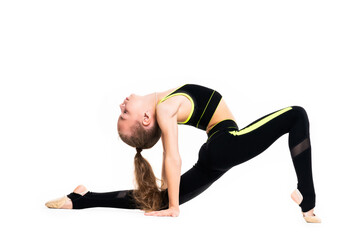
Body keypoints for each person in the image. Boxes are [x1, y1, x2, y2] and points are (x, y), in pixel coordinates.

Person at [45, 84, 321, 223]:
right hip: (225, 143)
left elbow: (169, 158)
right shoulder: (165, 109)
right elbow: (172, 155)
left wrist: (169, 196)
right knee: (296, 115)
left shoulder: (161, 100)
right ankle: (307, 197)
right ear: (144, 119)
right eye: (125, 112)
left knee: (157, 200)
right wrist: (175, 207)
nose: (122, 104)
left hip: (219, 147)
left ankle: (82, 199)